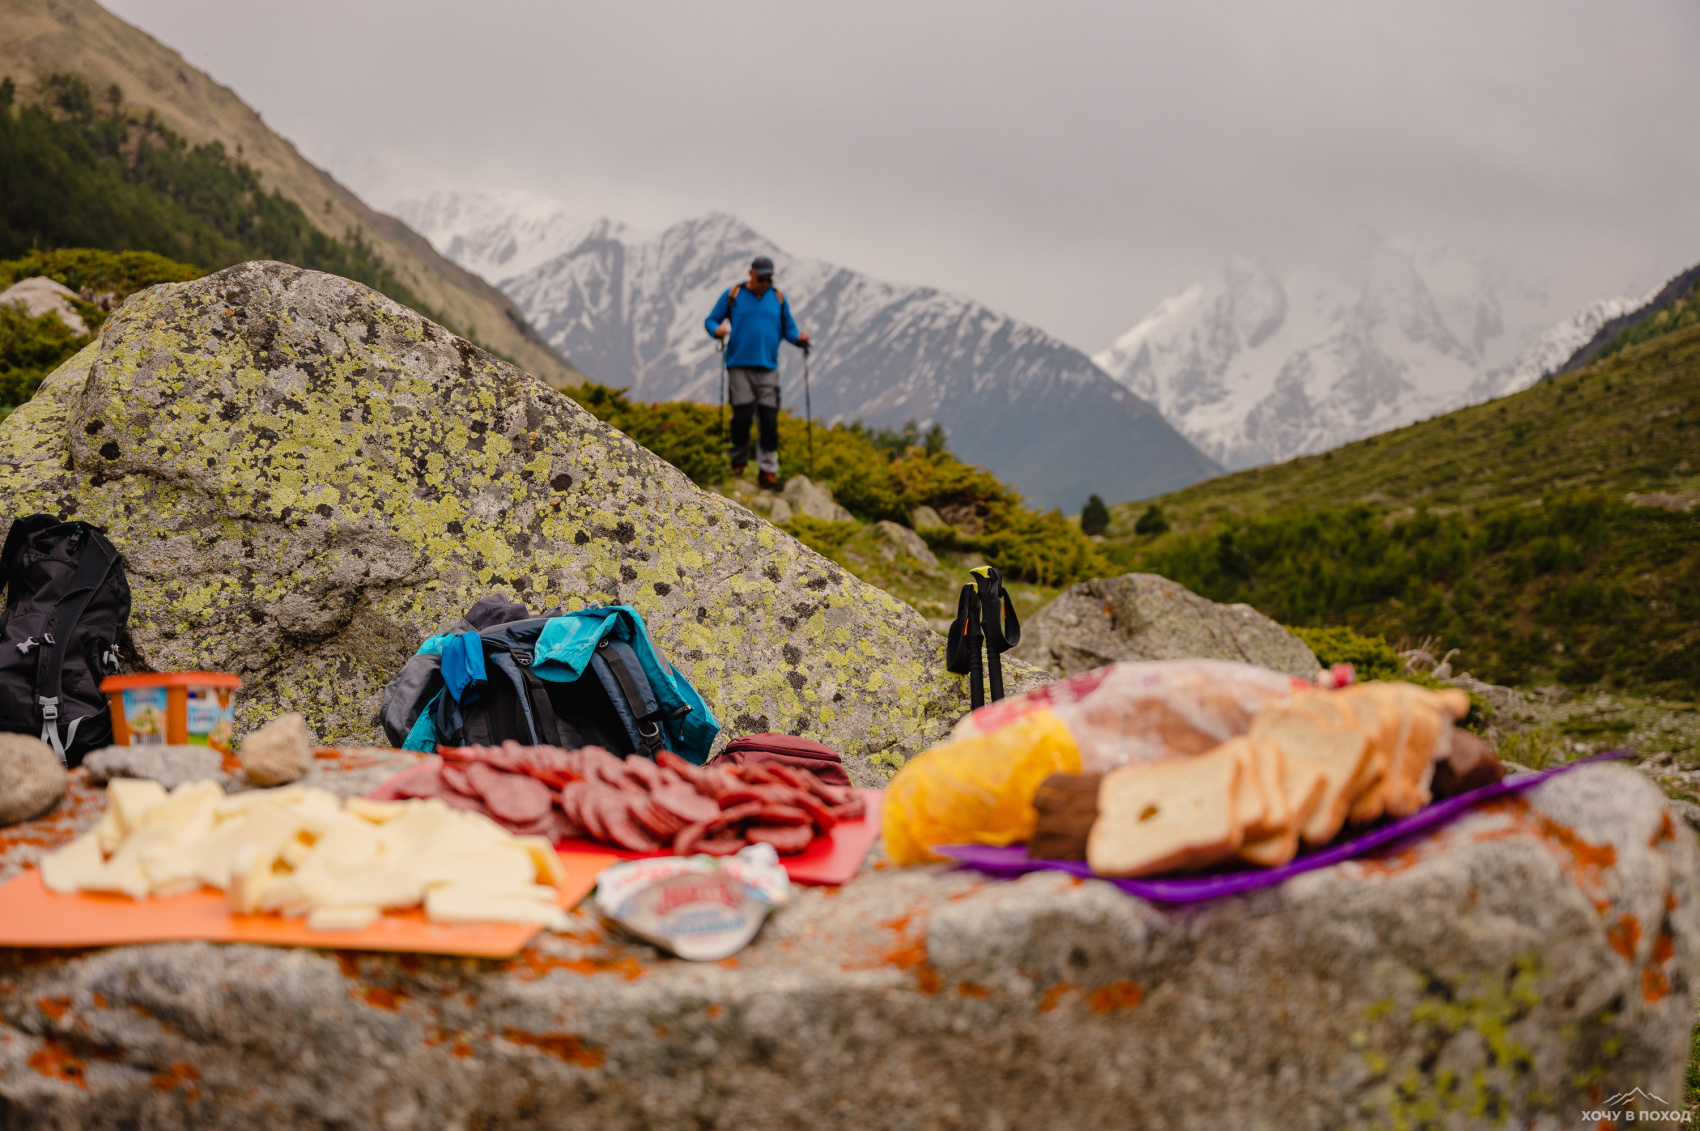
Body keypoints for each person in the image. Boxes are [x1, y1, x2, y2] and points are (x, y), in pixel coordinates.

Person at [704, 256, 810, 490]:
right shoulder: (733, 294)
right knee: (742, 417)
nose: (765, 283)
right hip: (739, 366)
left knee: (769, 419)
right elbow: (711, 320)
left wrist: (799, 338)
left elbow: (789, 329)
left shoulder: (778, 298)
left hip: (768, 368)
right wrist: (717, 330)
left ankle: (768, 472)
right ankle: (737, 462)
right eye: (762, 278)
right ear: (751, 273)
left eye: (769, 279)